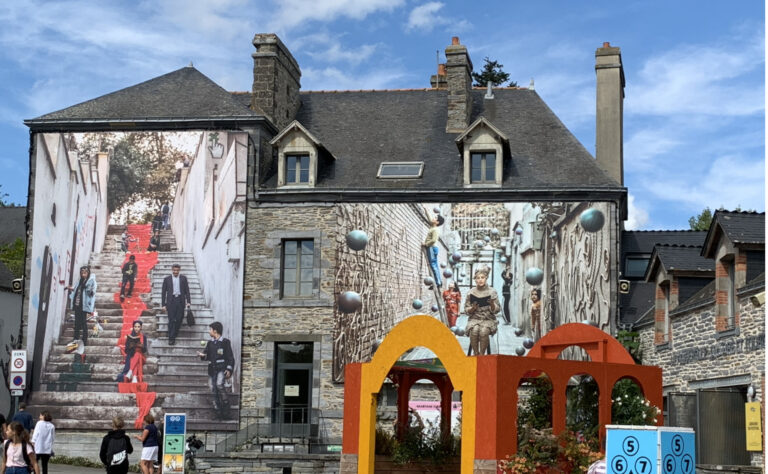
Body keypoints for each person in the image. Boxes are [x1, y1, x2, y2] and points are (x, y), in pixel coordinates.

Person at [197, 321, 235, 416]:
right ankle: (217, 408)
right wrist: (202, 356)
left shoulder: (225, 342)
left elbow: (230, 357)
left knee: (219, 384)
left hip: (221, 368)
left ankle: (226, 403)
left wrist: (229, 369)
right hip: (212, 370)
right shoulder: (210, 343)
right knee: (212, 387)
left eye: (210, 329)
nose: (209, 331)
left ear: (215, 331)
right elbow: (206, 356)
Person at [464, 267, 500, 356]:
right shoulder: (471, 292)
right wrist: (472, 308)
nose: (480, 280)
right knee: (474, 330)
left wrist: (492, 304)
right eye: (478, 278)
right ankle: (475, 353)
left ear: (486, 278)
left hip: (488, 319)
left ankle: (482, 354)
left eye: (482, 277)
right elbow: (466, 309)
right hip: (474, 318)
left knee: (483, 331)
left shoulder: (492, 291)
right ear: (475, 280)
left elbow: (497, 309)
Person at [67, 265, 97, 346]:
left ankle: (84, 339)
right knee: (77, 322)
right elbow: (77, 289)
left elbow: (91, 292)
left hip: (84, 305)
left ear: (88, 273)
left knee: (83, 322)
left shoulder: (90, 281)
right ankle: (75, 338)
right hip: (77, 304)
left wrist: (88, 288)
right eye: (82, 273)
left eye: (85, 273)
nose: (83, 274)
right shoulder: (80, 281)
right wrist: (71, 288)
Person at [161, 264, 190, 345]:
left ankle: (174, 332)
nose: (176, 272)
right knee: (171, 320)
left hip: (180, 301)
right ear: (172, 270)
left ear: (179, 270)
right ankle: (171, 338)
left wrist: (188, 301)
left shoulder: (183, 278)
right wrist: (163, 304)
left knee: (179, 319)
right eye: (174, 270)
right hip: (171, 301)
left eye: (177, 270)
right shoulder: (167, 279)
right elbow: (163, 293)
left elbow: (187, 291)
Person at [423, 215, 445, 288]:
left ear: (437, 222)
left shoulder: (435, 229)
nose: (433, 218)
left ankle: (437, 283)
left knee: (433, 265)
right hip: (432, 248)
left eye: (435, 218)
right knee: (434, 265)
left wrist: (426, 244)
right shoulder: (433, 227)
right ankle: (437, 282)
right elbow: (430, 220)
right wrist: (425, 210)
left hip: (431, 248)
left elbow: (433, 240)